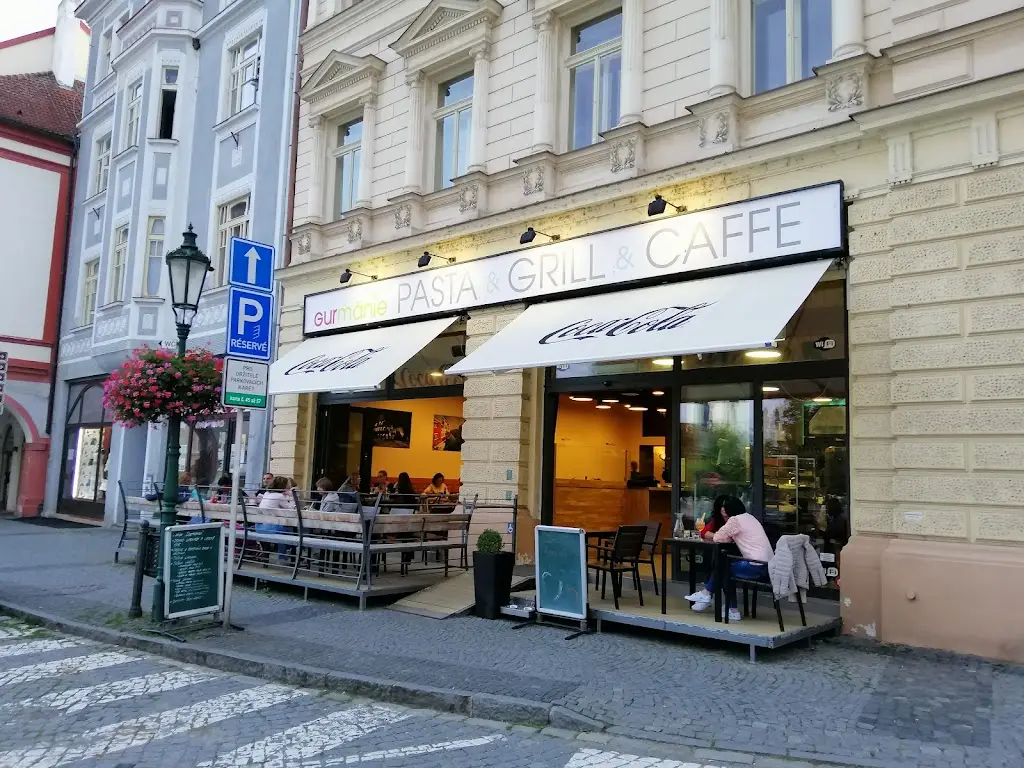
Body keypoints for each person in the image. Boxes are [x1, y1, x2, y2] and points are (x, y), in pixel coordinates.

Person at [685, 496, 773, 621]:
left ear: (731, 513)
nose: (725, 519)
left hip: (755, 566)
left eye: (725, 515)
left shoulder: (735, 520)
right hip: (768, 566)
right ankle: (724, 605)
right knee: (726, 567)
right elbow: (726, 538)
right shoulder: (750, 517)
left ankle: (708, 595)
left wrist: (713, 534)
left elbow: (717, 538)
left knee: (724, 568)